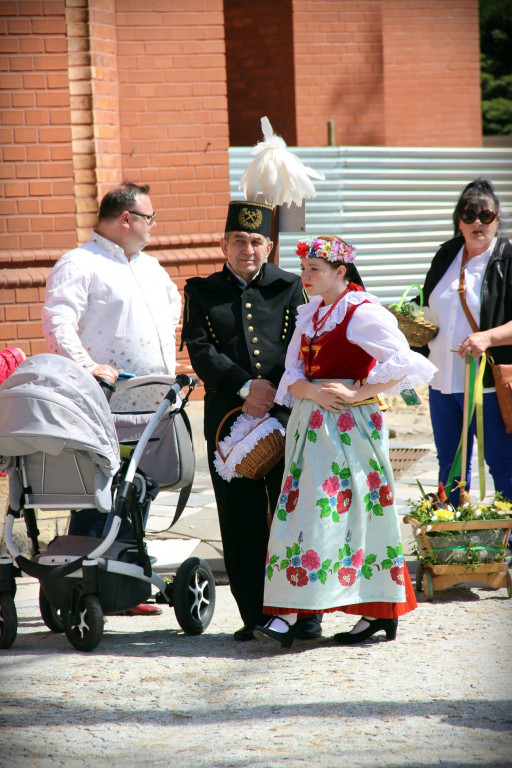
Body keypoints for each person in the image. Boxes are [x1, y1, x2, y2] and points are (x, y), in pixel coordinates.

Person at [253, 234, 437, 648]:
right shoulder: (312, 313)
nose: (306, 277)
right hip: (310, 424)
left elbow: (407, 363)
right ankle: (290, 612)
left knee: (351, 515)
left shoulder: (361, 311)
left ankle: (374, 612)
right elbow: (292, 377)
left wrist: (358, 394)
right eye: (304, 269)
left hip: (348, 427)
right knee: (301, 514)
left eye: (314, 270)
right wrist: (313, 392)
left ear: (341, 272)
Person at [182, 199, 319, 641]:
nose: (248, 248)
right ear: (224, 244)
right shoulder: (201, 290)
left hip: (286, 418)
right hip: (230, 425)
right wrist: (246, 387)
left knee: (292, 515)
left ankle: (306, 614)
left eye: (256, 240)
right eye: (238, 240)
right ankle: (256, 615)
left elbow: (305, 346)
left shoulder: (292, 286)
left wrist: (270, 390)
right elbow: (201, 349)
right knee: (240, 523)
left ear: (270, 245)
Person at [42, 181, 182, 616]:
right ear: (127, 219)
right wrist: (87, 367)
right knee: (99, 491)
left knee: (140, 488)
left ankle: (125, 578)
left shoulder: (151, 266)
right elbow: (59, 322)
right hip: (104, 405)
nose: (154, 226)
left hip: (154, 404)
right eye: (150, 218)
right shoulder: (80, 263)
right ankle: (86, 582)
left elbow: (172, 307)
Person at [414, 178, 512, 509]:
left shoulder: (507, 258)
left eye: (485, 215)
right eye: (468, 215)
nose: (477, 223)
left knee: (502, 464)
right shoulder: (446, 254)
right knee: (451, 467)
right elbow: (426, 305)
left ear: (497, 218)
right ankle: (454, 536)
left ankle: (508, 539)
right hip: (443, 381)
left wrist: (487, 337)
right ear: (458, 220)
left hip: (488, 384)